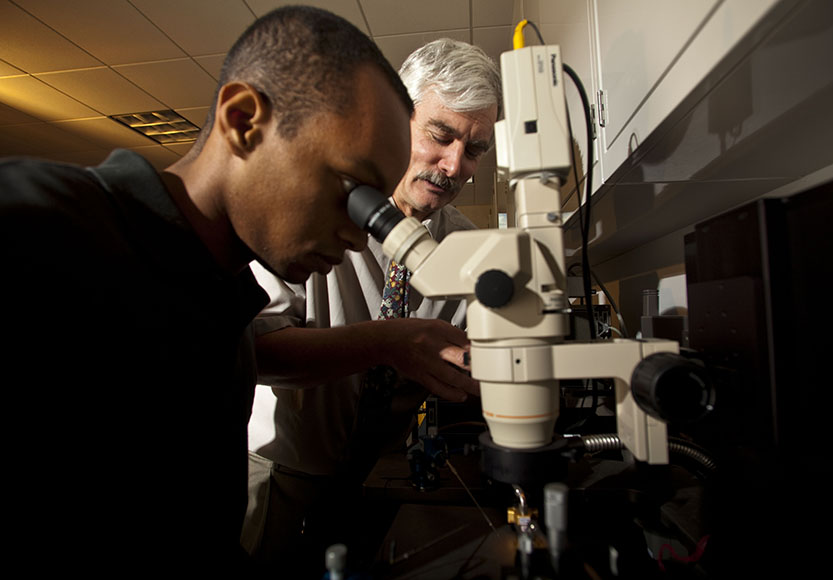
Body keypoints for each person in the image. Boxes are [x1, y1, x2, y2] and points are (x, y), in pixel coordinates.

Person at [0, 6, 411, 572]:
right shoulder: (45, 222)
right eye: (353, 191)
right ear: (244, 121)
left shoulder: (227, 309)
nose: (359, 237)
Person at [242, 38, 502, 573]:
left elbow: (477, 365)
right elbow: (258, 352)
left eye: (474, 149)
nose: (454, 165)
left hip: (379, 478)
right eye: (441, 135)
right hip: (282, 471)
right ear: (396, 119)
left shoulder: (471, 250)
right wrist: (391, 345)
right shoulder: (310, 209)